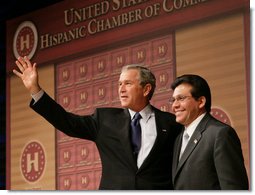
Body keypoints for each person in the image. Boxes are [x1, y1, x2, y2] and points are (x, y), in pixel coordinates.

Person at [13, 56, 182, 190]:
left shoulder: (171, 124)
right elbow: (67, 123)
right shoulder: (105, 119)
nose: (121, 89)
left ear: (146, 89)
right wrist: (35, 90)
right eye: (120, 84)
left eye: (128, 84)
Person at [170, 74, 249, 190]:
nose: (174, 105)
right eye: (173, 100)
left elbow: (234, 187)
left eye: (181, 98)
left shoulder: (220, 134)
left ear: (201, 101)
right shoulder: (179, 139)